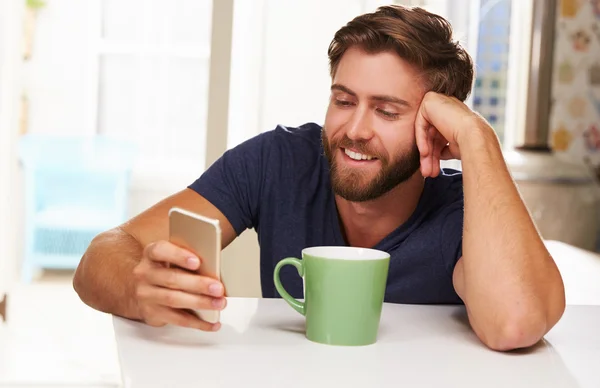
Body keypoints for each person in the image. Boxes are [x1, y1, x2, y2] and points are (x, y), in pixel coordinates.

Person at [73, 5, 565, 351]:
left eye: (388, 111)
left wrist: (478, 141)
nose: (354, 130)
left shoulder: (464, 213)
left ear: (434, 128)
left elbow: (514, 323)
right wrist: (141, 290)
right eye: (344, 100)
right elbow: (102, 256)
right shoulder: (279, 160)